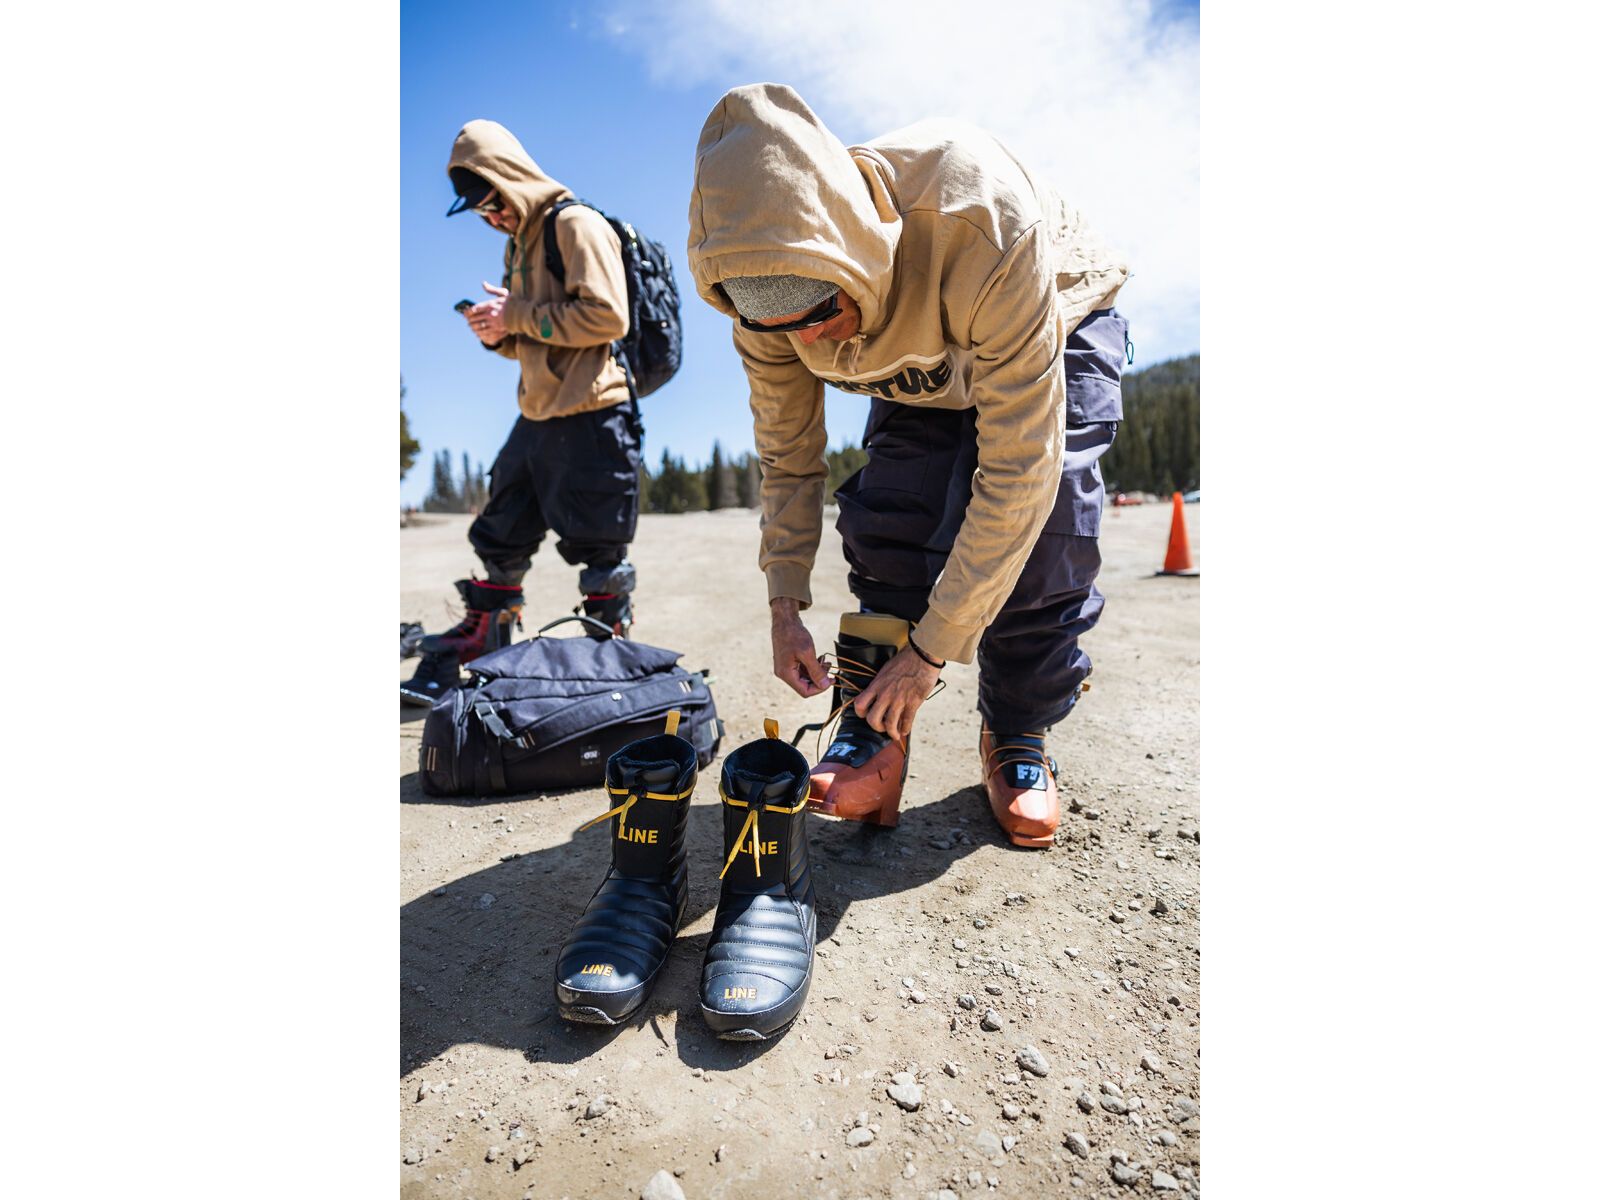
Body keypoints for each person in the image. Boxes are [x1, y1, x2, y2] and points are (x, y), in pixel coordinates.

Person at [686, 84, 1131, 847]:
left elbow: (1020, 467)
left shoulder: (980, 216)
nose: (816, 345)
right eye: (785, 329)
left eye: (823, 311)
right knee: (896, 509)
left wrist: (931, 654)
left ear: (850, 250)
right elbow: (789, 456)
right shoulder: (761, 303)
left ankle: (1016, 734)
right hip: (918, 349)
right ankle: (874, 737)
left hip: (1048, 304)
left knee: (1051, 531)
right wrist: (783, 601)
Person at [402, 120, 642, 706]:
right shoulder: (519, 244)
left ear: (512, 180)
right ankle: (485, 635)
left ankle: (605, 648)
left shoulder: (575, 225)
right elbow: (532, 331)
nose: (493, 218)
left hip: (592, 410)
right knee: (502, 527)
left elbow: (610, 318)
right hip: (538, 412)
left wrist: (518, 316)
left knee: (598, 543)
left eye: (494, 204)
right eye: (481, 212)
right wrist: (495, 331)